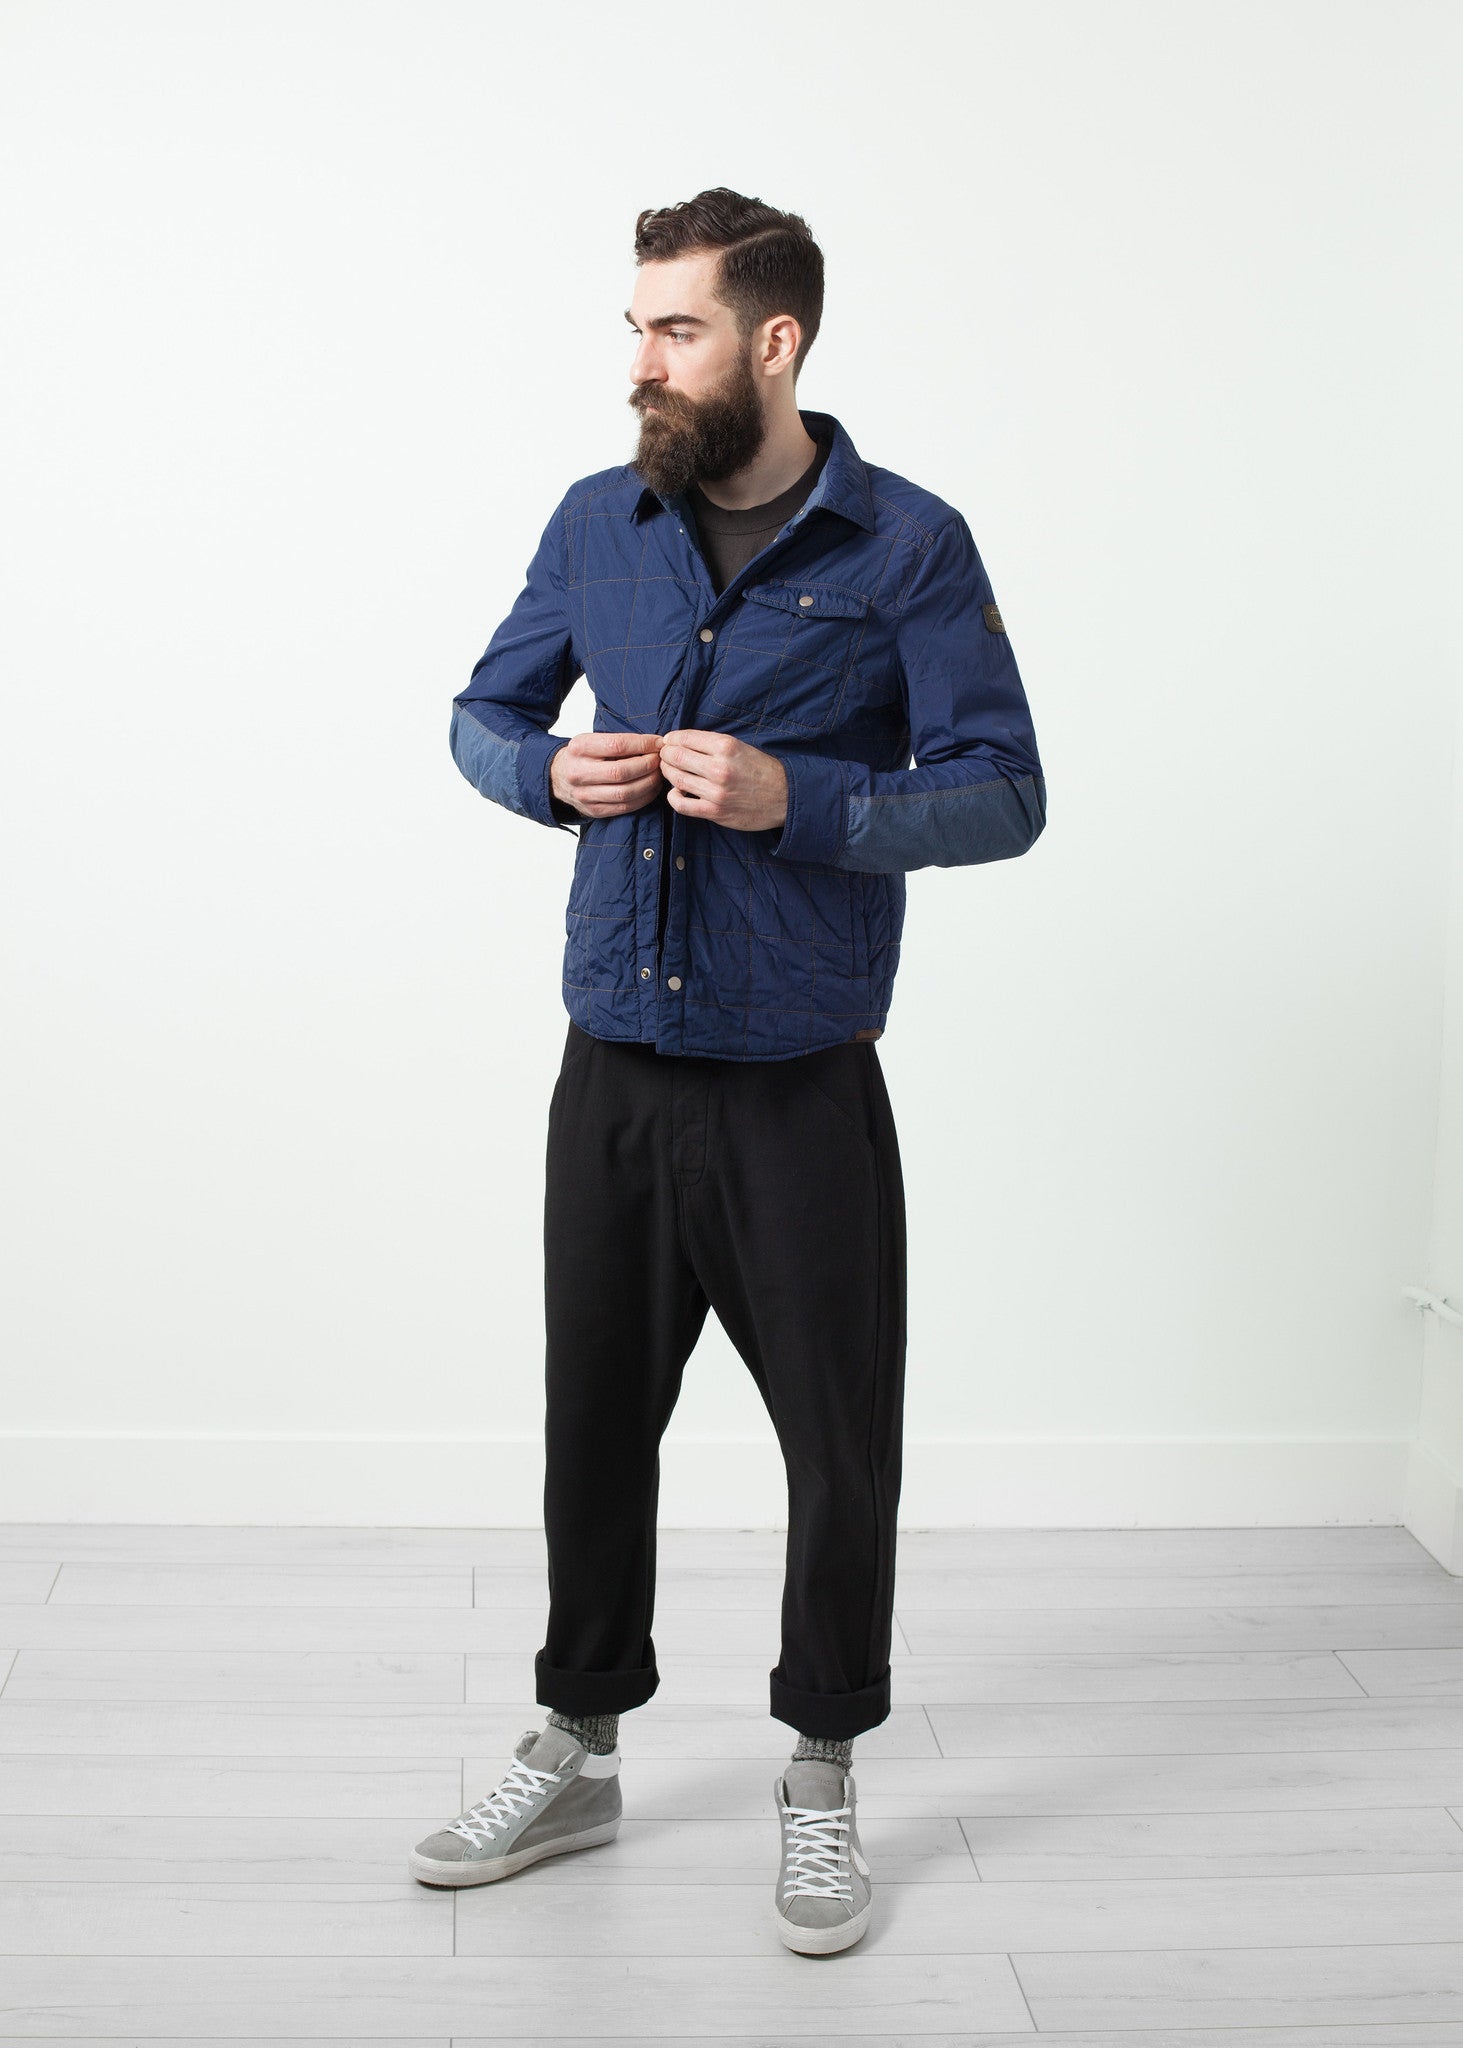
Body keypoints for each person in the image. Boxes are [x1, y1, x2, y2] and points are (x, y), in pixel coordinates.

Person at [410, 187, 1046, 1955]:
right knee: (594, 1425)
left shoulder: (910, 544)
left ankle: (822, 1774)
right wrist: (550, 776)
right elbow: (482, 714)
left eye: (674, 328)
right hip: (612, 1064)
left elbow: (1004, 793)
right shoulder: (595, 523)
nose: (643, 359)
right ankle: (578, 1744)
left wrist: (802, 799)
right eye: (635, 326)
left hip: (797, 1083)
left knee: (837, 1446)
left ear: (776, 342)